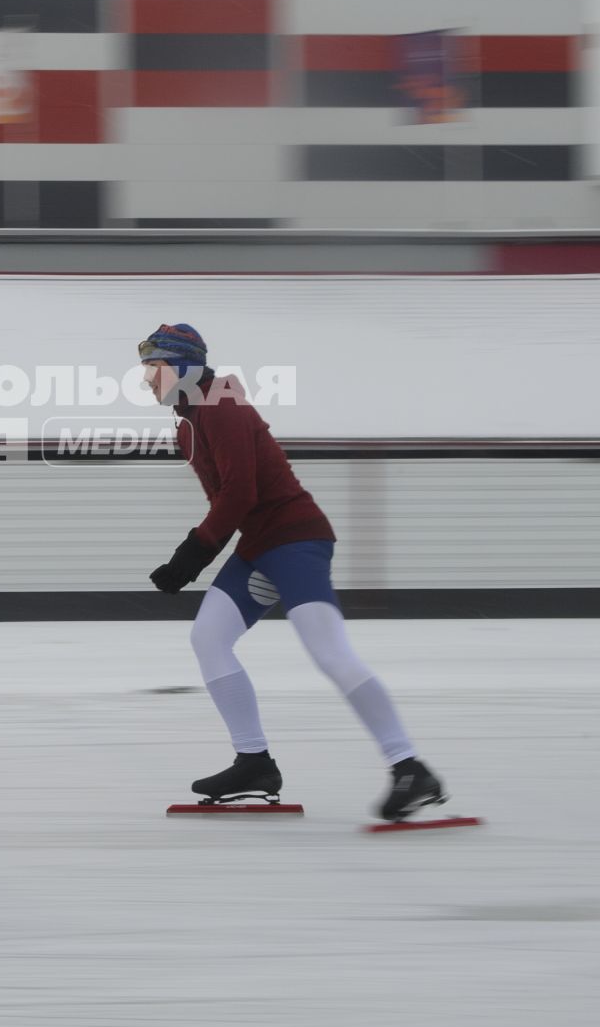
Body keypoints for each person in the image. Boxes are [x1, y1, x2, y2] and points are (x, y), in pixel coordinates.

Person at [138, 323, 450, 822]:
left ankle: (410, 767)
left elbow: (241, 496)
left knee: (329, 652)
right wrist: (196, 555)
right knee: (208, 638)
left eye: (154, 367)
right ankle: (254, 762)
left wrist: (190, 557)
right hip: (260, 546)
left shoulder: (222, 407)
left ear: (184, 367)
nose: (146, 380)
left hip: (297, 539)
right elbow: (227, 501)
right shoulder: (188, 424)